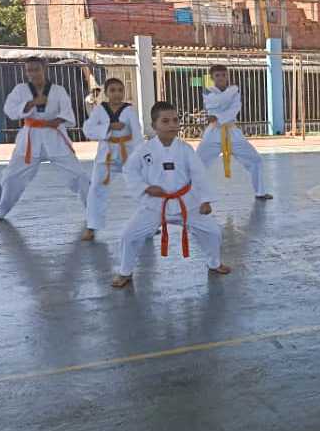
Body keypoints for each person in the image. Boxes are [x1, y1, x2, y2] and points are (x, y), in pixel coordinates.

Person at [112, 101, 230, 288]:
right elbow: (129, 170)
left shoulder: (185, 149)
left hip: (187, 203)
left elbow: (199, 174)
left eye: (175, 120)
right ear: (154, 126)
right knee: (129, 236)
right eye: (165, 121)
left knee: (213, 232)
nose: (172, 125)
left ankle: (214, 263)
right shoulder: (144, 149)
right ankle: (125, 272)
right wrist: (145, 187)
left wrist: (205, 200)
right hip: (155, 205)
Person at [0, 56, 89, 223]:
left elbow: (67, 112)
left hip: (54, 137)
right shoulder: (20, 90)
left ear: (44, 69)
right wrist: (32, 103)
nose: (32, 73)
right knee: (10, 177)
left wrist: (57, 120)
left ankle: (92, 209)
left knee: (80, 176)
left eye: (36, 69)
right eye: (29, 70)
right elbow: (9, 110)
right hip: (30, 139)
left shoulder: (58, 90)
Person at [195, 64, 272, 200]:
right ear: (212, 77)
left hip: (232, 132)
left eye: (224, 75)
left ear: (227, 76)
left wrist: (217, 115)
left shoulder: (234, 92)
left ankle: (260, 192)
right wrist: (232, 92)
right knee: (196, 163)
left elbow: (234, 109)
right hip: (213, 133)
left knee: (256, 160)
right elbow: (213, 103)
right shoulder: (208, 91)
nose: (221, 78)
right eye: (217, 75)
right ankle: (189, 194)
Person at [81, 78, 143, 241]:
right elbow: (88, 129)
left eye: (120, 90)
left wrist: (140, 156)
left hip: (128, 154)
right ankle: (92, 226)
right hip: (106, 154)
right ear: (106, 93)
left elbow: (137, 133)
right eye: (113, 90)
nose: (117, 94)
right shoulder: (100, 110)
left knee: (139, 186)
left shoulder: (129, 110)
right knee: (96, 188)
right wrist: (108, 127)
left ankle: (147, 223)